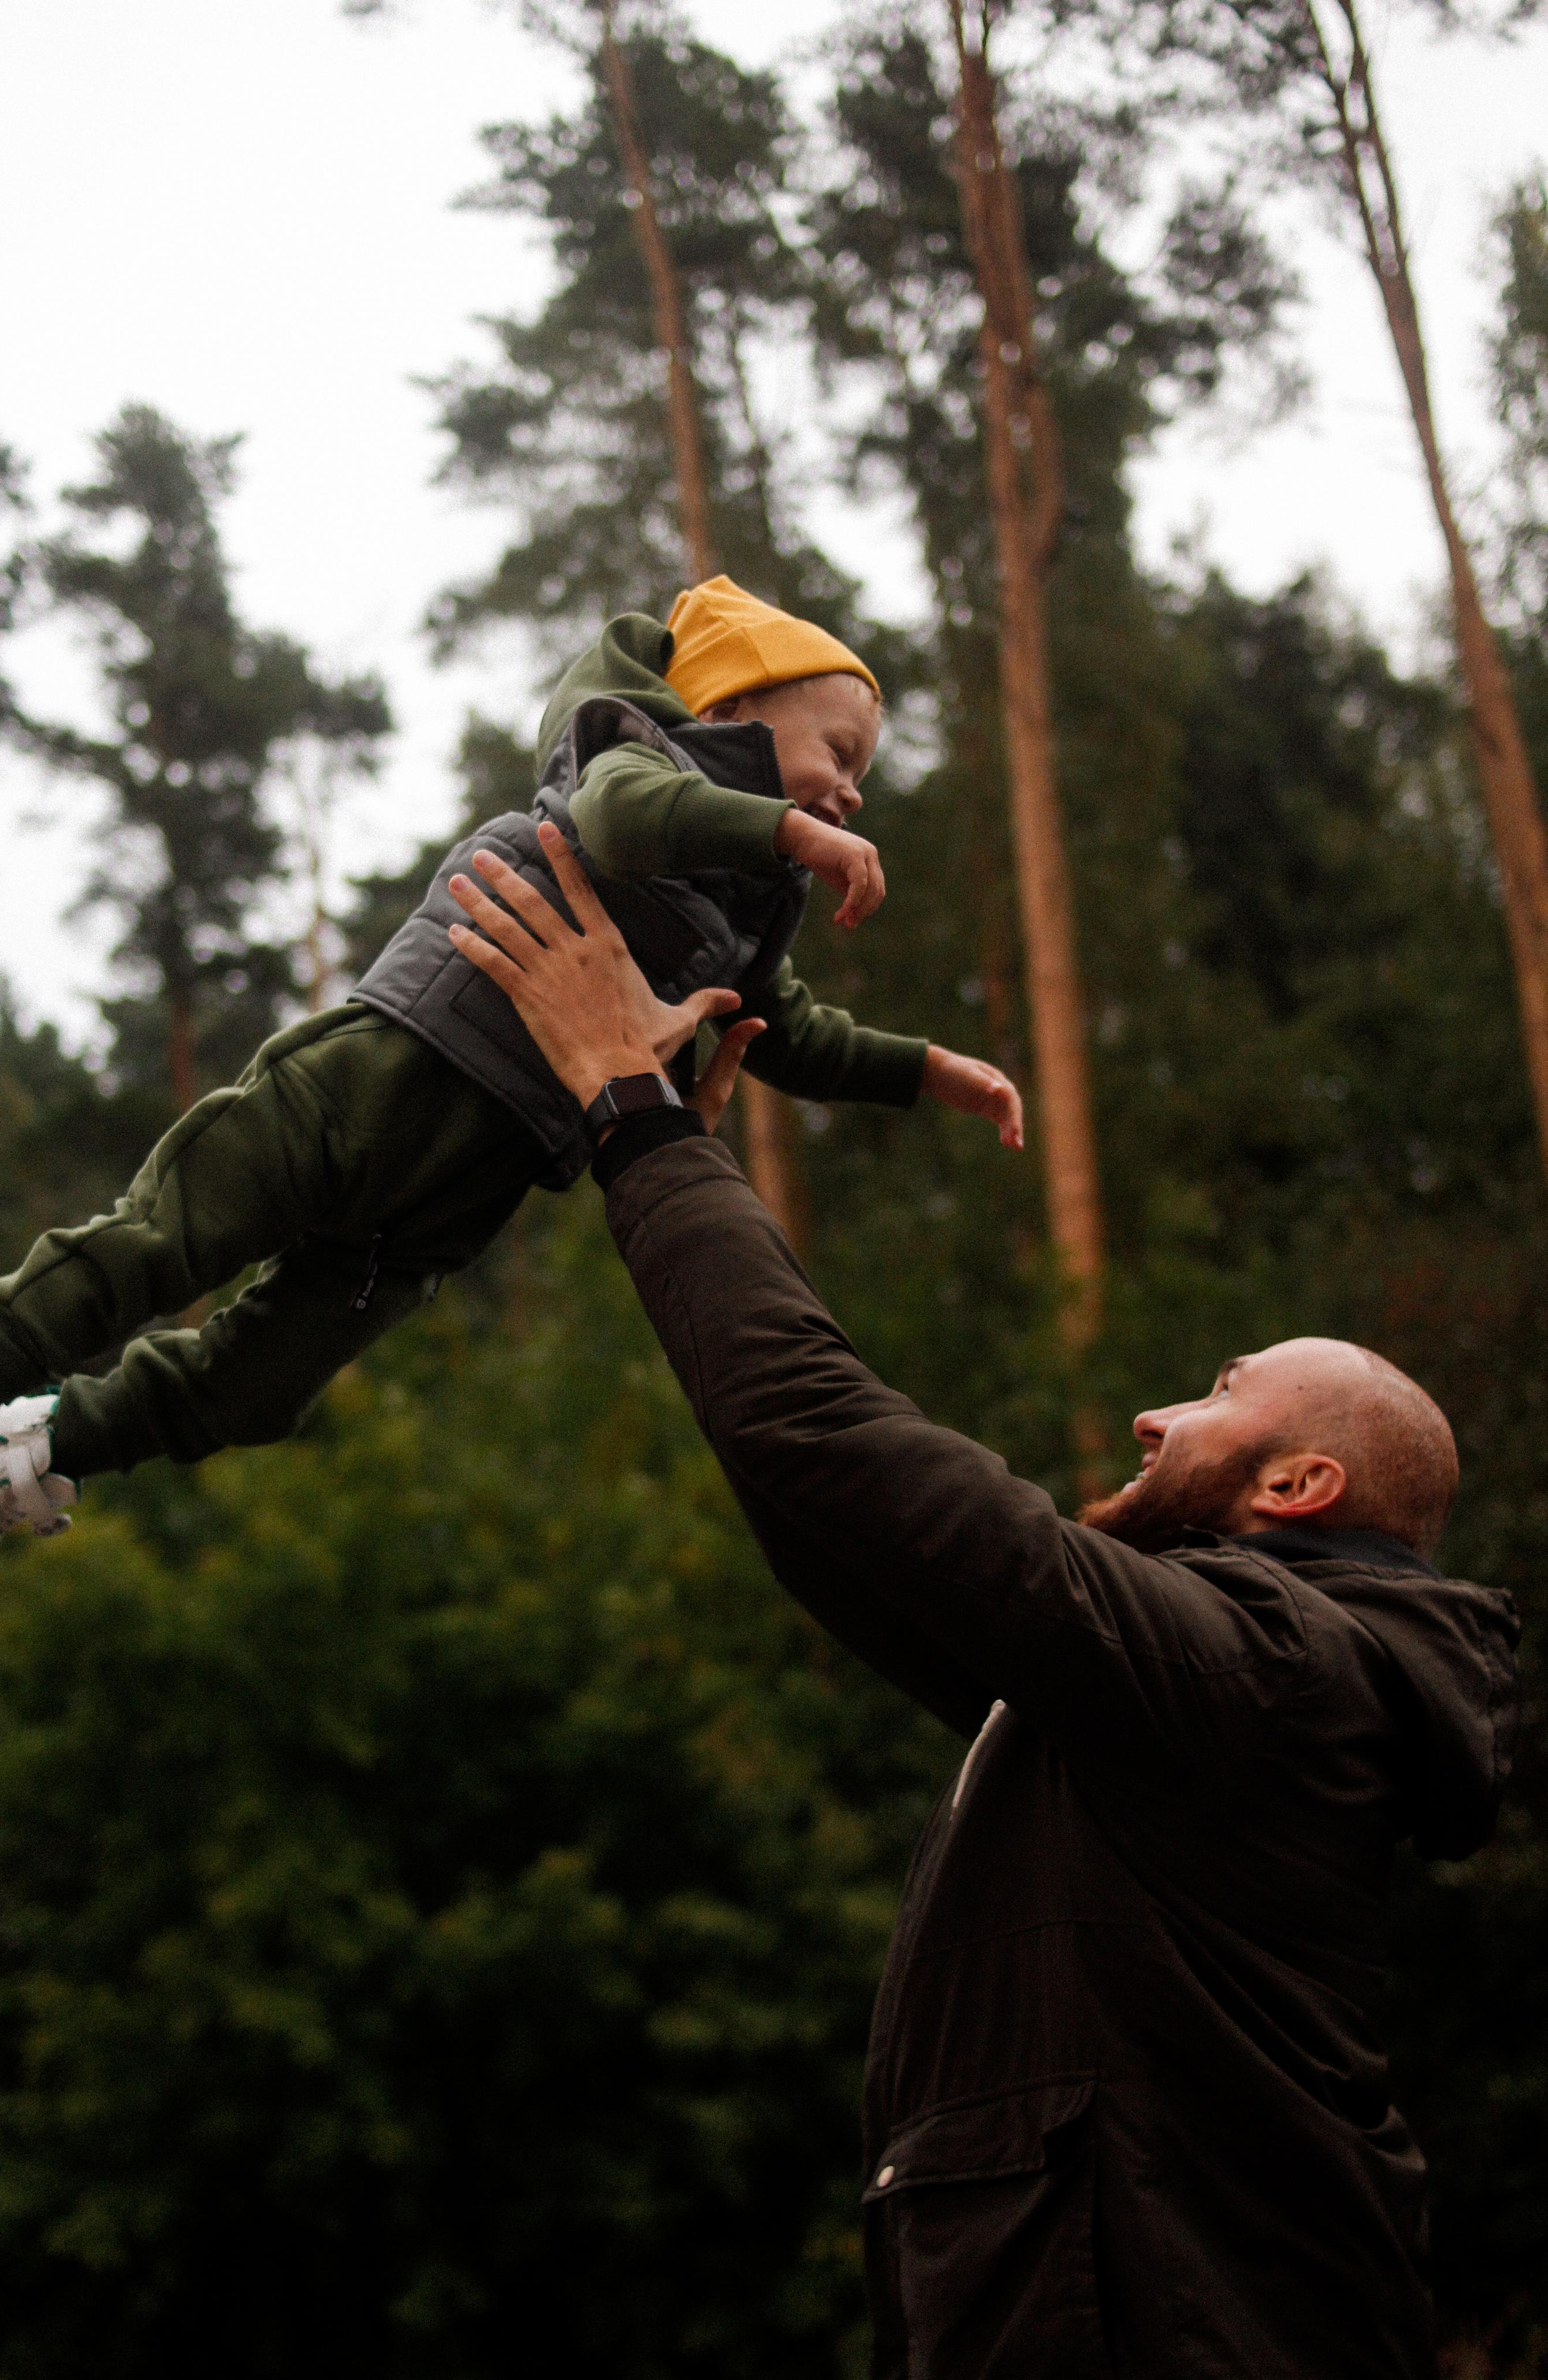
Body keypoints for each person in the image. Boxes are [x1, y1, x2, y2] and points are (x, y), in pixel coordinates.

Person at [444, 824, 1522, 2380]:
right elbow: (833, 1515)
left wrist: (632, 1121)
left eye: (1218, 1395)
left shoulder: (1271, 1670)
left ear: (1297, 1491)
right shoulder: (1184, 1696)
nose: (1155, 1417)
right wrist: (671, 1157)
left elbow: (839, 1450)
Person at [0, 577, 1021, 1587]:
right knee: (164, 1238)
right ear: (736, 705)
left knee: (263, 1386)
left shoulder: (745, 914)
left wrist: (929, 1070)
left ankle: (33, 1457)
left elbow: (792, 1035)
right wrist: (790, 827)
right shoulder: (632, 751)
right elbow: (622, 819)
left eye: (861, 776)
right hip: (374, 1084)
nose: (852, 789)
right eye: (839, 751)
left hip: (452, 1202)